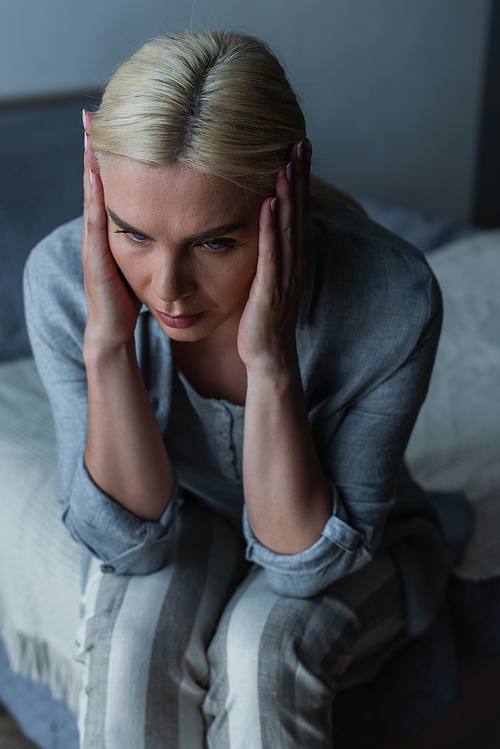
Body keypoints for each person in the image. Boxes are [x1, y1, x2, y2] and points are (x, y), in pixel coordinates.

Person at [23, 29, 471, 749]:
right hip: (183, 520)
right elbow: (129, 547)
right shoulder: (60, 281)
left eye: (215, 242)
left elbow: (301, 569)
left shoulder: (393, 297)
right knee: (132, 645)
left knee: (262, 647)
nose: (167, 288)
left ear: (283, 195)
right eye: (133, 233)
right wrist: (107, 346)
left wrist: (271, 362)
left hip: (336, 536)